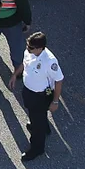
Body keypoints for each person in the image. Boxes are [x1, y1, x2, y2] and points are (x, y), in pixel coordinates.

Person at [9, 31, 63, 161]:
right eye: (28, 45)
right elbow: (24, 63)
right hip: (28, 91)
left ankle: (37, 148)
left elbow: (59, 80)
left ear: (40, 48)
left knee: (37, 123)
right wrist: (15, 75)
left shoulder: (49, 61)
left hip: (41, 95)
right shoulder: (30, 51)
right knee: (33, 113)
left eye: (31, 47)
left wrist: (55, 101)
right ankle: (43, 126)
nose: (27, 48)